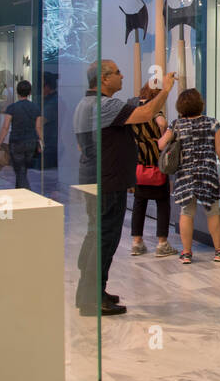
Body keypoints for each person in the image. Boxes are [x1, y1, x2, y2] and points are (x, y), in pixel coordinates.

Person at [74, 61, 176, 316]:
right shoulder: (103, 105)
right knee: (104, 239)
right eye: (118, 72)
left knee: (97, 236)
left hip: (100, 180)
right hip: (107, 183)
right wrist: (165, 90)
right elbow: (144, 114)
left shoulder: (86, 105)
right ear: (104, 79)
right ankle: (92, 298)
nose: (122, 75)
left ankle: (91, 292)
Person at [158, 87, 220, 264]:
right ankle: (219, 251)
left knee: (186, 212)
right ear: (200, 104)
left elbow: (162, 145)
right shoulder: (212, 123)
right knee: (213, 212)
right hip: (207, 173)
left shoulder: (176, 124)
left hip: (185, 175)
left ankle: (186, 253)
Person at [129, 84, 176, 258]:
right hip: (155, 162)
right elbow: (162, 122)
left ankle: (137, 242)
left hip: (139, 162)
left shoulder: (134, 109)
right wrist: (162, 135)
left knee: (139, 203)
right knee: (163, 203)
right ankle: (162, 243)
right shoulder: (153, 110)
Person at [0, 78, 43, 191]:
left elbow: (5, 127)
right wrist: (41, 141)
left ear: (17, 92)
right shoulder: (35, 108)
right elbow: (38, 127)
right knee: (23, 169)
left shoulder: (12, 108)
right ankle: (19, 192)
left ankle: (27, 193)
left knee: (20, 170)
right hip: (31, 142)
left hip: (16, 142)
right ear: (30, 92)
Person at [40, 72, 58, 171]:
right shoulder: (51, 101)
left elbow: (41, 121)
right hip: (49, 143)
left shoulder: (52, 102)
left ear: (47, 87)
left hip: (50, 145)